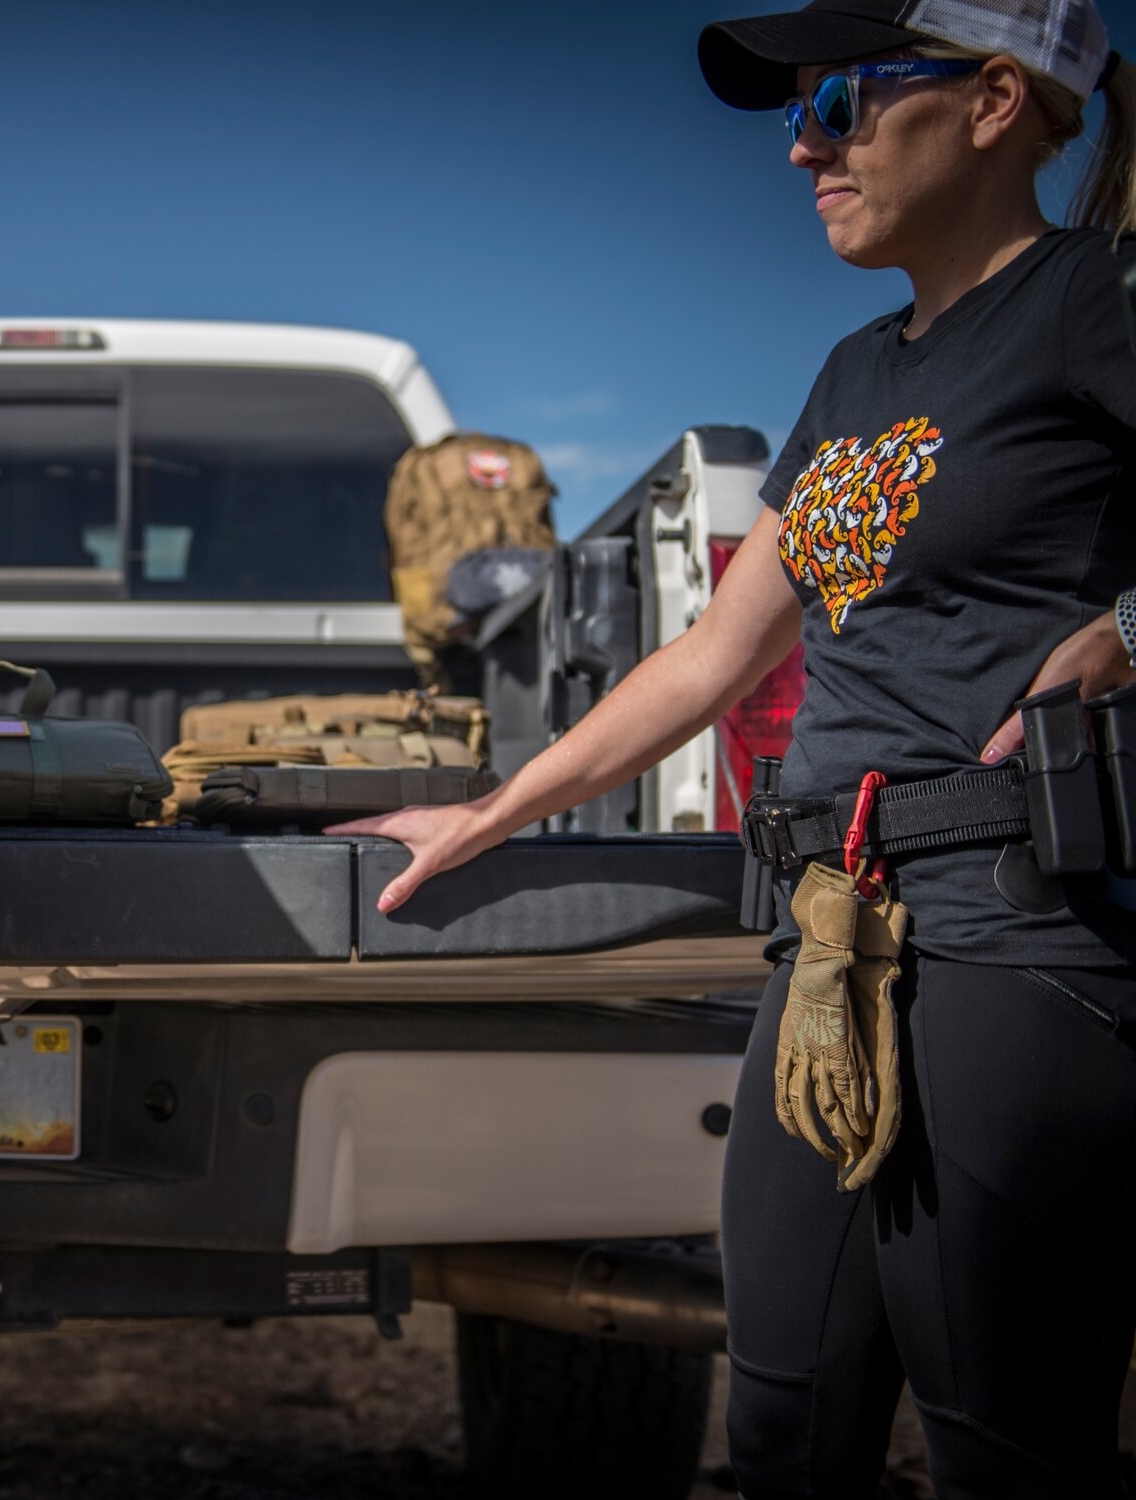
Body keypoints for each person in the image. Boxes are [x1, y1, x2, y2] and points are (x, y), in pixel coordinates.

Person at [331, 1, 1136, 1492]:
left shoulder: (1094, 296)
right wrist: (489, 810)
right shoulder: (853, 375)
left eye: (840, 98)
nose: (801, 143)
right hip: (828, 944)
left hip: (1012, 945)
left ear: (993, 101)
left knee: (1002, 1452)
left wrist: (1130, 630)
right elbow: (714, 653)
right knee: (780, 1429)